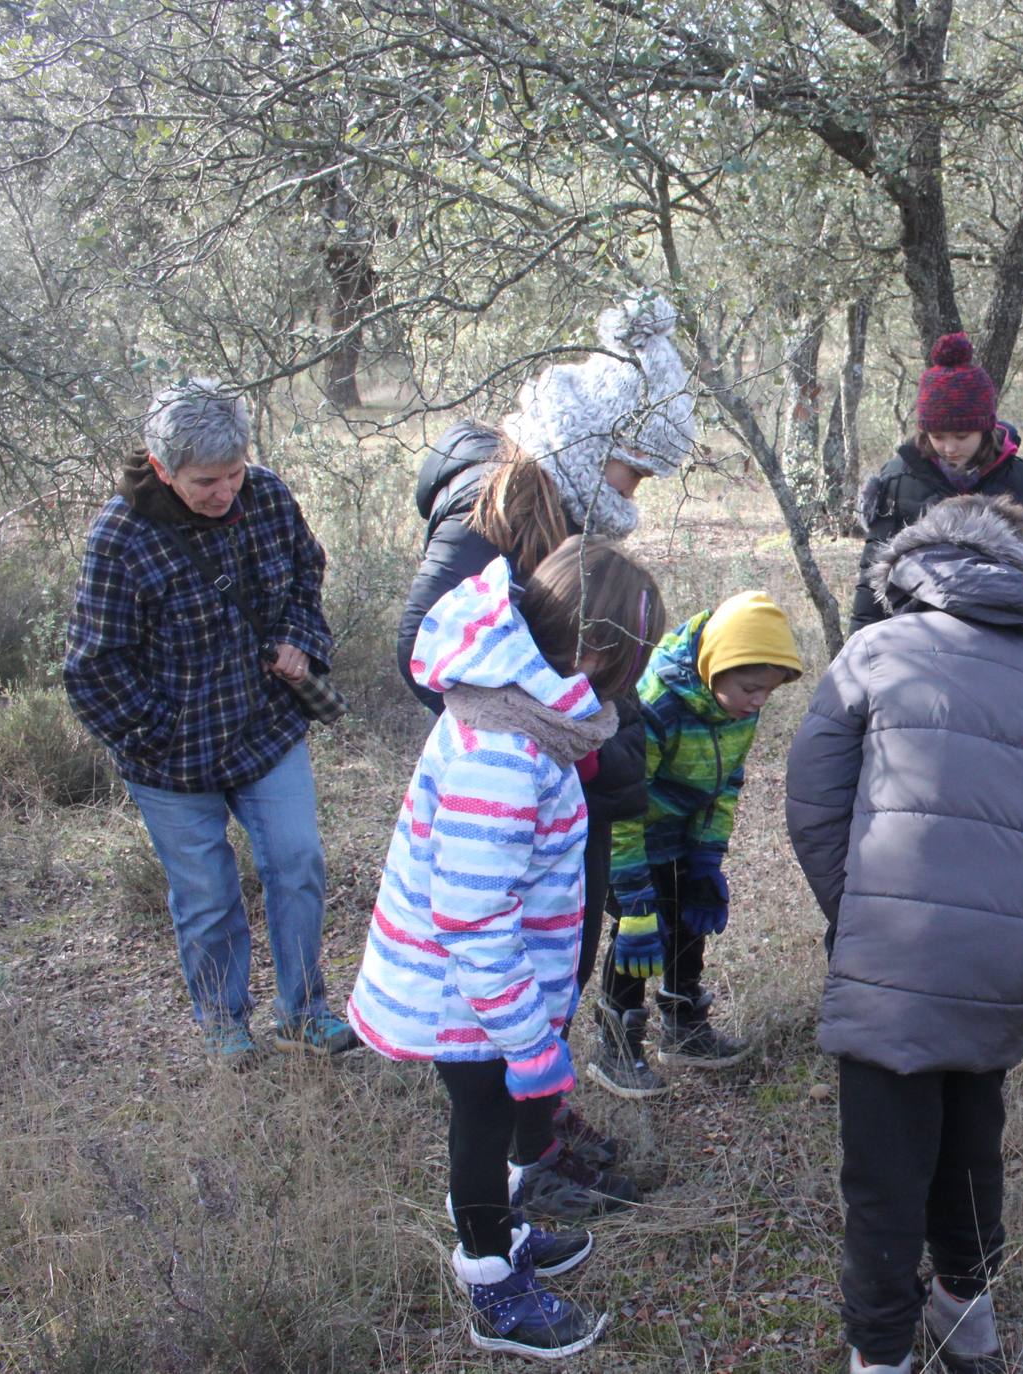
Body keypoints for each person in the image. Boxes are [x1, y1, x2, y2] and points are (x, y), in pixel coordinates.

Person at [395, 292, 697, 1198]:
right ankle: (527, 1160)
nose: (633, 497)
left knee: (558, 951)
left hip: (569, 775)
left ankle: (541, 1132)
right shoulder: (493, 511)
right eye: (631, 471)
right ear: (587, 443)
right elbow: (426, 648)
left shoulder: (553, 506)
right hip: (530, 789)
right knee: (530, 964)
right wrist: (544, 739)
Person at [786, 495, 1023, 1374]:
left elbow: (811, 803)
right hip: (1007, 953)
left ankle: (881, 1351)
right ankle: (968, 1314)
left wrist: (859, 916)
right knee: (969, 1131)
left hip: (894, 943)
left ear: (908, 570)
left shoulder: (874, 648)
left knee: (884, 1166)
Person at [347, 537, 664, 1360]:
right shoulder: (505, 752)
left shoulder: (525, 712)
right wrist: (526, 1040)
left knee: (489, 1129)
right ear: (597, 653)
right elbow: (472, 914)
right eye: (629, 665)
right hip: (473, 997)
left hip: (490, 989)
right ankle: (491, 1280)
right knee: (482, 1129)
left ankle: (504, 1229)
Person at [65, 378, 355, 1065]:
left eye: (233, 473)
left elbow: (304, 577)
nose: (224, 491)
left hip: (264, 732)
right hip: (171, 761)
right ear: (162, 469)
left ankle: (304, 1012)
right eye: (204, 482)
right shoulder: (121, 536)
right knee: (207, 895)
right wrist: (156, 729)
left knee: (298, 862)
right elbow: (91, 668)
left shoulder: (269, 495)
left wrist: (298, 640)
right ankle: (224, 1022)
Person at [588, 591, 804, 1097]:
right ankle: (615, 1042)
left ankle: (684, 1026)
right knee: (637, 936)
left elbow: (725, 783)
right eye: (751, 688)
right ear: (715, 666)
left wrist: (707, 859)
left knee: (689, 918)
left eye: (768, 693)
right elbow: (622, 806)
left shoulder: (737, 709)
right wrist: (636, 895)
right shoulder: (657, 702)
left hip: (684, 835)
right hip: (632, 838)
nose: (758, 702)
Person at [849, 333, 1023, 633]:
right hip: (916, 637)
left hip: (1003, 637)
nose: (950, 448)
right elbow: (873, 575)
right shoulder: (898, 480)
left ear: (986, 429)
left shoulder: (1022, 480)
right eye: (938, 436)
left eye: (962, 436)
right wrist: (861, 647)